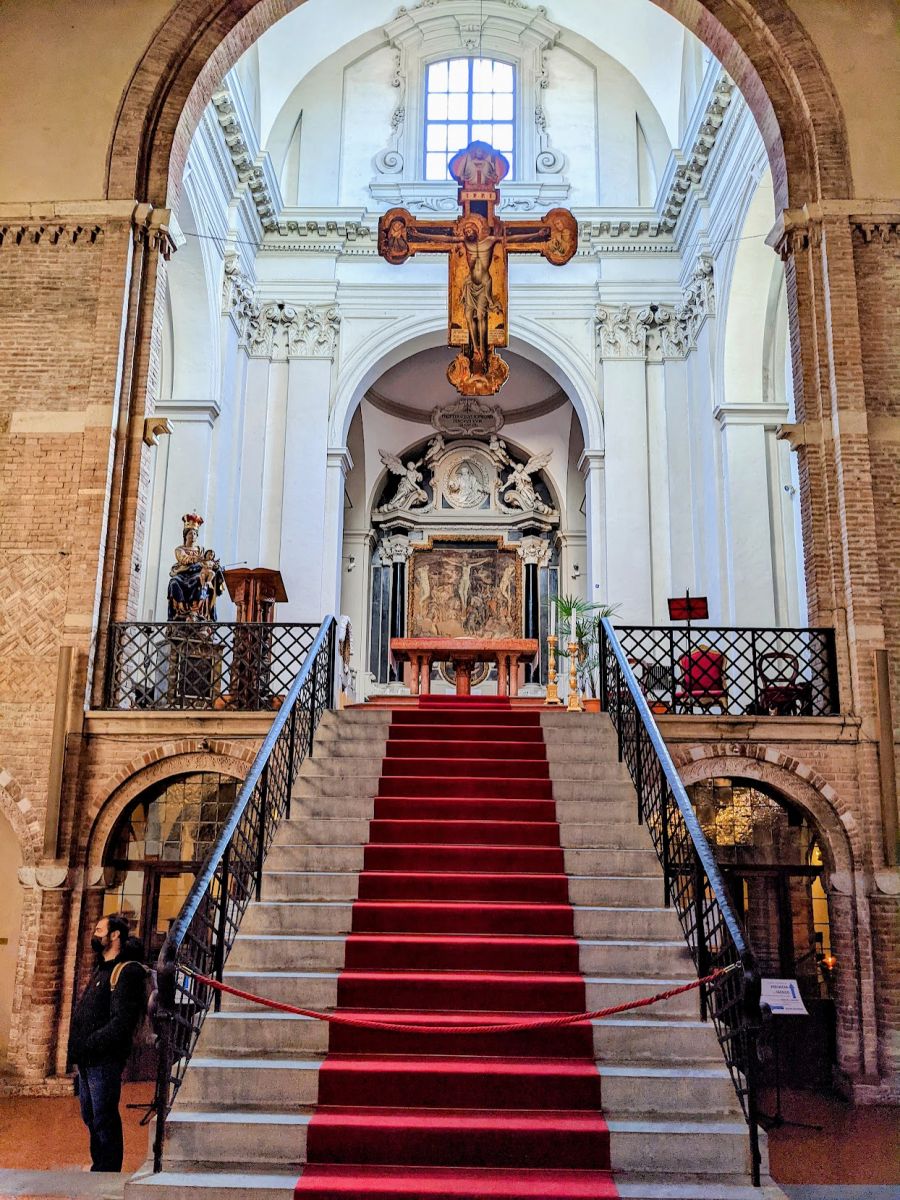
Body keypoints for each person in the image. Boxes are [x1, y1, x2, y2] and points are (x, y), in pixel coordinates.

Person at [68, 914, 147, 1172]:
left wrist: (90, 1043)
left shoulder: (127, 971)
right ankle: (98, 1165)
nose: (95, 934)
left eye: (100, 929)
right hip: (87, 1058)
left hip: (104, 1058)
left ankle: (108, 1171)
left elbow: (121, 1022)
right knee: (90, 1115)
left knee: (104, 1116)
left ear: (115, 935)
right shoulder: (102, 967)